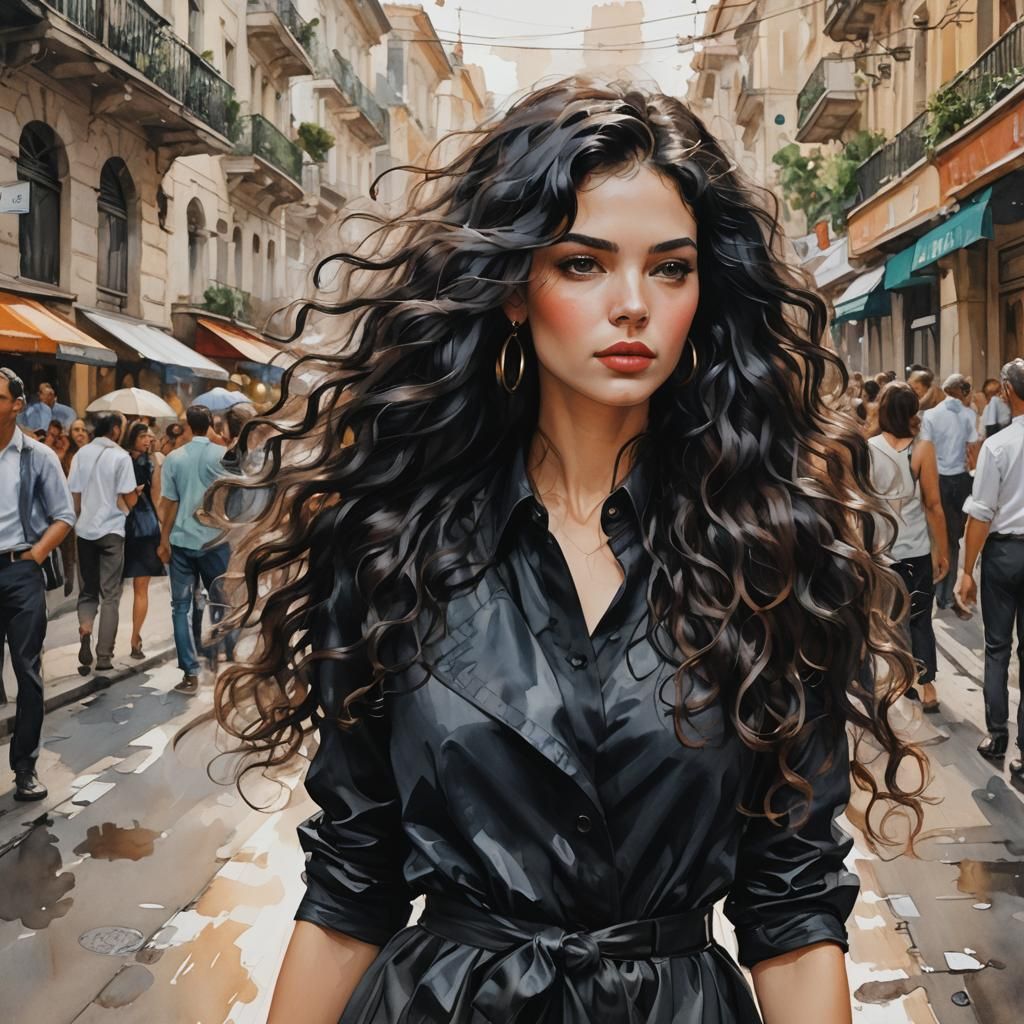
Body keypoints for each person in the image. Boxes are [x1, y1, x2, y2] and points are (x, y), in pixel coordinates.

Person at [196, 81, 928, 1024]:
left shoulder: (776, 553)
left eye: (671, 269)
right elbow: (352, 881)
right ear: (514, 288)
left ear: (704, 291)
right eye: (583, 263)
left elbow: (792, 909)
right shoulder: (392, 543)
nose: (633, 305)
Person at [0, 367, 75, 801]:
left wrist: (36, 555)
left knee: (27, 672)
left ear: (17, 405)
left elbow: (64, 515)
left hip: (20, 572)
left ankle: (25, 768)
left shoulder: (38, 456)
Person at [957, 358, 1024, 773]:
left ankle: (997, 735)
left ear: (1007, 392)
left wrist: (967, 571)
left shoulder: (998, 446)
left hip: (1004, 554)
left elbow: (980, 514)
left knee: (997, 648)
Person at [868, 383, 949, 711]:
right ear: (913, 412)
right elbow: (933, 505)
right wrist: (942, 550)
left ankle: (899, 681)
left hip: (880, 552)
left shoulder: (868, 448)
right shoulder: (922, 449)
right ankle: (927, 688)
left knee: (889, 619)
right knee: (920, 618)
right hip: (916, 550)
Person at [157, 404, 230, 695]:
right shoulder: (224, 456)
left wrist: (163, 540)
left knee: (181, 607)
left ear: (187, 425)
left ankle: (190, 673)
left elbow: (169, 505)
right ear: (210, 424)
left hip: (182, 542)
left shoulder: (174, 458)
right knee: (221, 601)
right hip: (215, 542)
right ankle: (220, 657)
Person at [67, 412, 138, 673]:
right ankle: (104, 656)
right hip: (111, 532)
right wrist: (135, 498)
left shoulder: (81, 454)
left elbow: (74, 496)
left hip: (85, 532)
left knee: (87, 591)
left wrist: (78, 521)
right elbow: (129, 497)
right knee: (110, 596)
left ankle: (86, 630)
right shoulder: (121, 457)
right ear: (115, 430)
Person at [920, 373, 980, 612]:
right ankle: (945, 596)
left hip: (936, 479)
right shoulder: (969, 414)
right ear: (962, 391)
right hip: (961, 481)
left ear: (945, 390)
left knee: (935, 536)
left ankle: (932, 588)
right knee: (954, 539)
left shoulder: (930, 415)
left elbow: (926, 448)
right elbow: (972, 446)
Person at [121, 421, 165, 659]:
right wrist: (164, 530)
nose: (148, 440)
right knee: (141, 588)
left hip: (121, 524)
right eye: (143, 436)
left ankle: (131, 637)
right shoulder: (151, 463)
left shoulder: (120, 459)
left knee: (119, 590)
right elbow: (156, 497)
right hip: (145, 527)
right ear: (133, 438)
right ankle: (134, 638)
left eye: (149, 436)